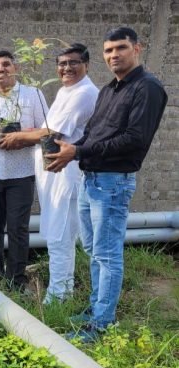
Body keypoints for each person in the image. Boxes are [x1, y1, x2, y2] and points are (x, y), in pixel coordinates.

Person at [47, 27, 167, 341]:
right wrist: (70, 152)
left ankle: (102, 324)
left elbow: (134, 140)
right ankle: (95, 309)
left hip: (113, 183)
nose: (114, 55)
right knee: (93, 249)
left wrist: (78, 152)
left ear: (137, 48)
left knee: (107, 253)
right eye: (108, 50)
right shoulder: (108, 90)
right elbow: (92, 134)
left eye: (120, 48)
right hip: (91, 180)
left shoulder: (147, 87)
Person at [0, 44, 99, 303]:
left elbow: (52, 133)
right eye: (62, 63)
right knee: (58, 236)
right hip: (54, 176)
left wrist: (18, 136)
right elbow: (48, 128)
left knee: (60, 237)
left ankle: (58, 298)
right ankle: (63, 291)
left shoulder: (84, 93)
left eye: (73, 63)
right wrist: (30, 132)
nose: (66, 68)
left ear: (86, 65)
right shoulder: (67, 91)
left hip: (65, 176)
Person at [0, 50, 47, 292]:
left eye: (5, 65)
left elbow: (47, 131)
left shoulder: (33, 95)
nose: (0, 69)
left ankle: (17, 278)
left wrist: (20, 139)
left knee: (17, 228)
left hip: (21, 174)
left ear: (16, 68)